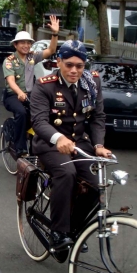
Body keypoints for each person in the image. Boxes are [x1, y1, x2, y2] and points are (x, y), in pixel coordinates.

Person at [30, 40, 112, 250]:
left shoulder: (92, 83)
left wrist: (99, 145)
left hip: (79, 143)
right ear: (59, 62)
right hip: (50, 144)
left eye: (79, 66)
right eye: (69, 65)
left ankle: (73, 229)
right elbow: (39, 122)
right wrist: (59, 138)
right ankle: (58, 232)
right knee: (67, 173)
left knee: (97, 182)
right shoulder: (45, 84)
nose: (74, 70)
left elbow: (97, 117)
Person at [2, 15, 60, 157]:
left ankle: (39, 147)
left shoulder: (32, 57)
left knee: (43, 114)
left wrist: (55, 34)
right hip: (12, 95)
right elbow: (10, 81)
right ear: (15, 45)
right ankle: (20, 148)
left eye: (28, 43)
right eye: (22, 43)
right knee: (21, 113)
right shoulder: (9, 61)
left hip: (30, 94)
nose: (26, 46)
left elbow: (51, 50)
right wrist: (19, 93)